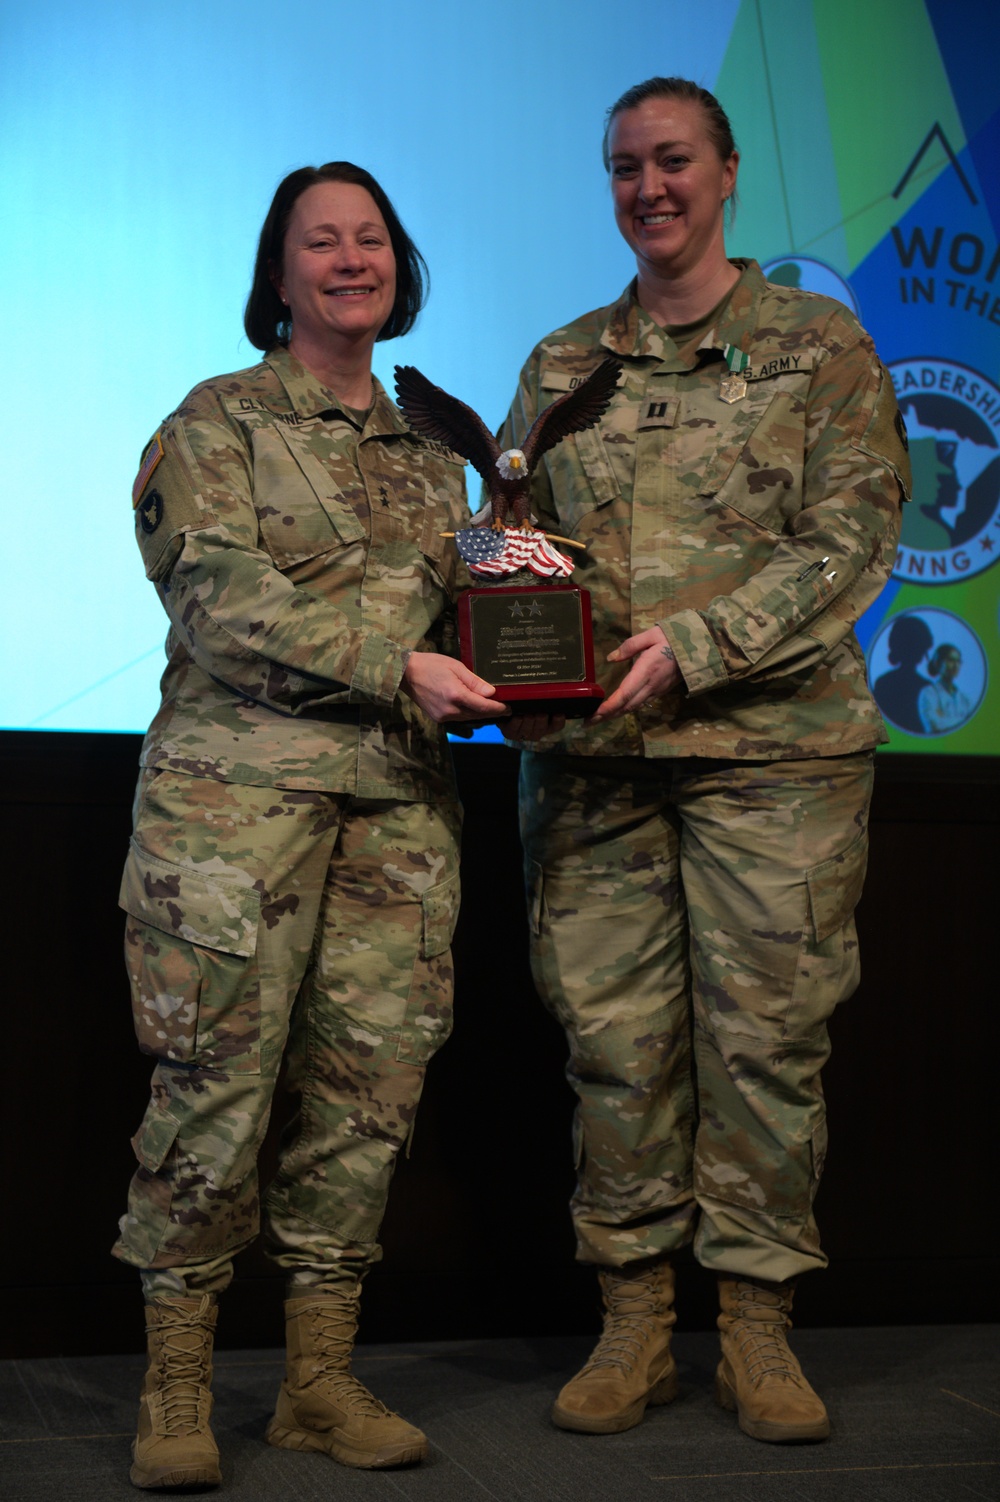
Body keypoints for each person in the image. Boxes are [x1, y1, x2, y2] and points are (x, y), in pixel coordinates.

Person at [499, 78, 910, 1445]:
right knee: (612, 1046)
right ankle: (633, 1323)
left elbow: (851, 538)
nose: (648, 187)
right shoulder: (564, 368)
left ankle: (754, 1327)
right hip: (601, 768)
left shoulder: (820, 347)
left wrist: (700, 640)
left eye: (673, 160)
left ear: (728, 172)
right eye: (624, 166)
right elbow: (514, 552)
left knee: (765, 1047)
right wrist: (500, 645)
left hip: (774, 762)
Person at [117, 161, 502, 1490]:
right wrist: (399, 667)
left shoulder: (438, 453)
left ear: (400, 266)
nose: (352, 260)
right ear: (277, 275)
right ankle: (175, 1385)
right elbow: (217, 597)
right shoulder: (213, 423)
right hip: (235, 816)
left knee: (365, 1100)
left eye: (373, 239)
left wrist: (538, 624)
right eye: (320, 242)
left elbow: (476, 622)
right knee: (214, 1091)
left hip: (394, 818)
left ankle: (316, 1382)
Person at [918, 643, 971, 733]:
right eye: (950, 660)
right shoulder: (928, 693)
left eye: (958, 661)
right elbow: (934, 726)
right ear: (938, 663)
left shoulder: (965, 698)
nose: (956, 666)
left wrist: (945, 719)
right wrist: (963, 720)